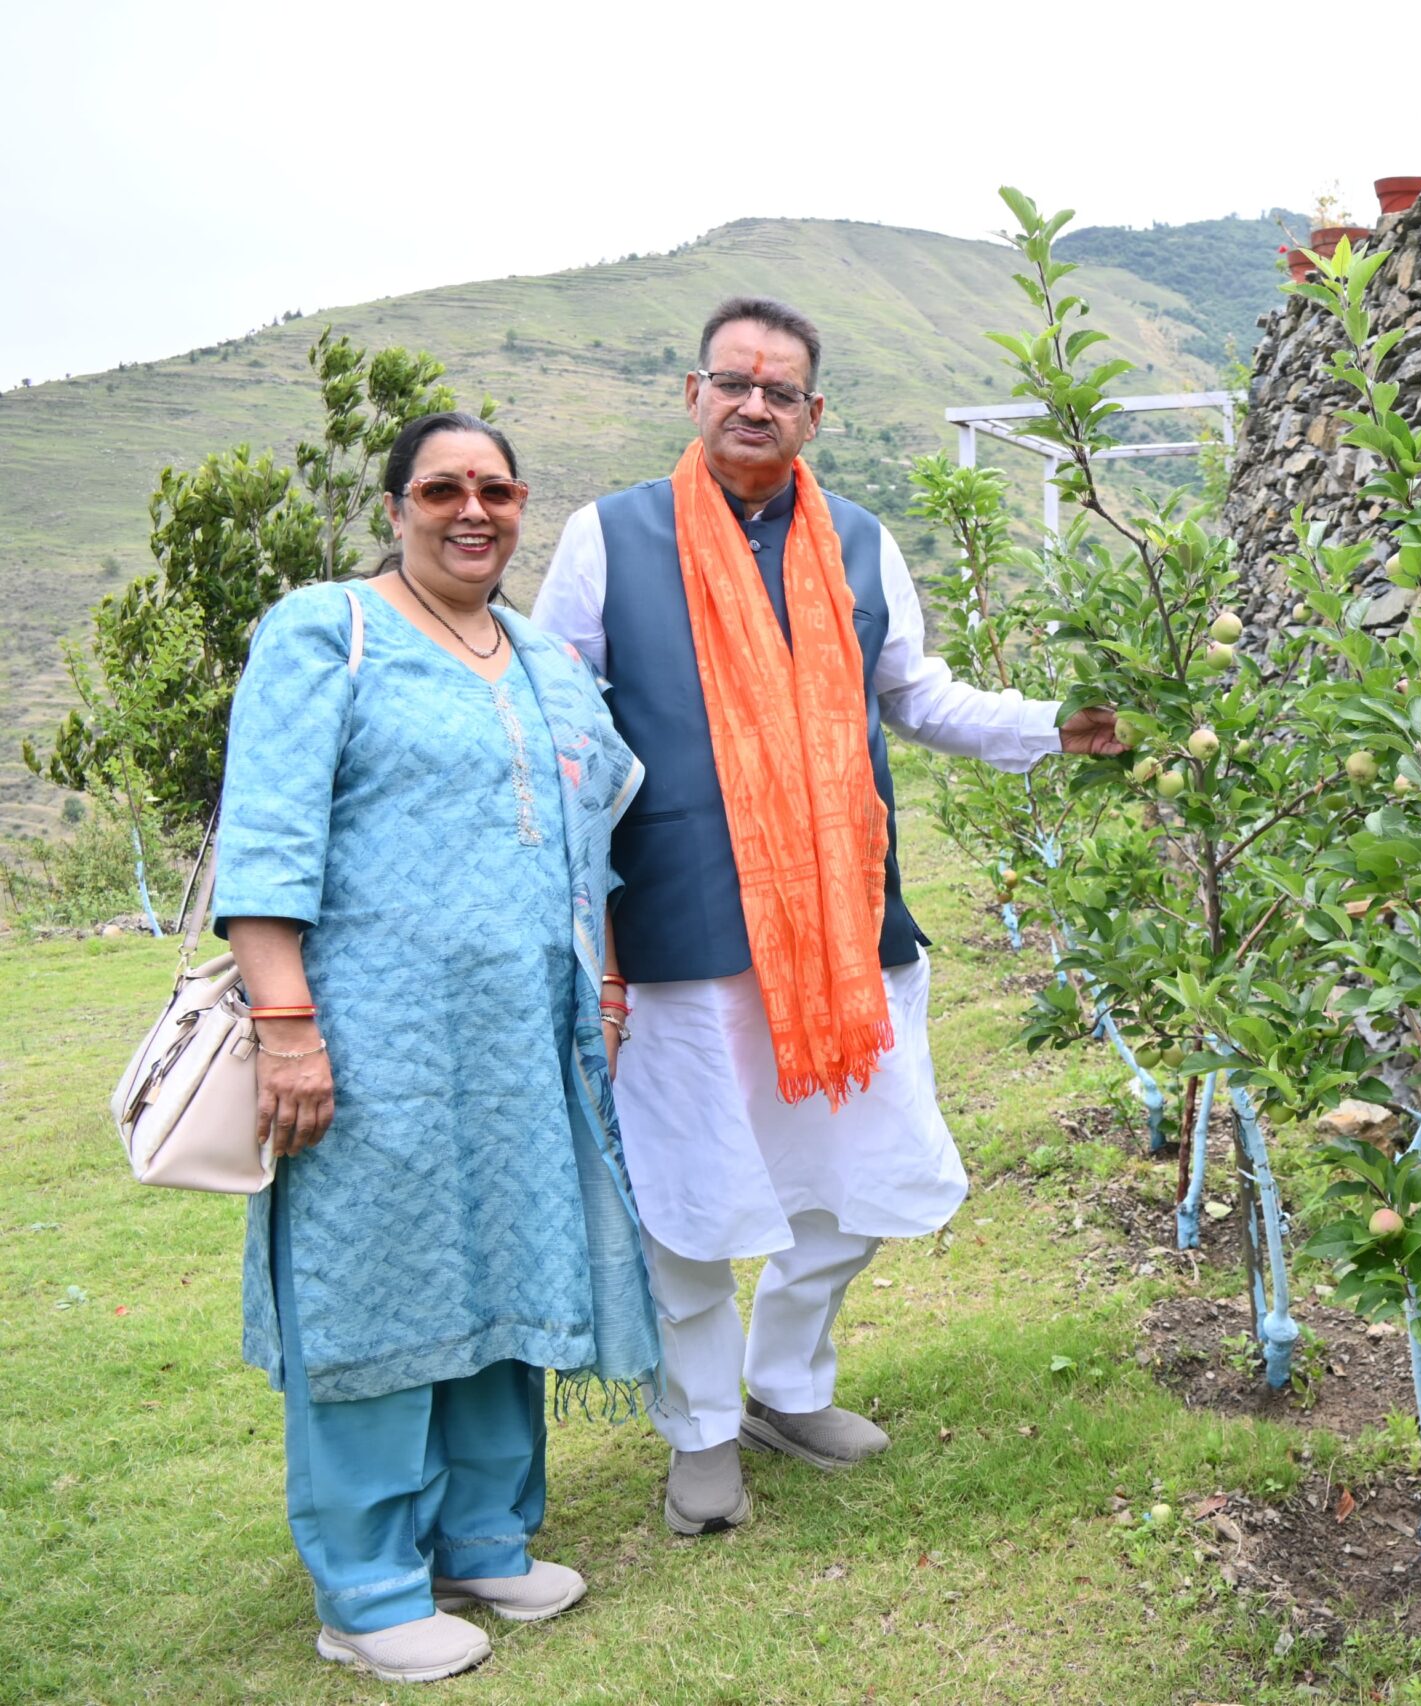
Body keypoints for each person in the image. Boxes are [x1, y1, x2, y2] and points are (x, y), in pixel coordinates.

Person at [532, 296, 1120, 1536]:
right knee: (690, 1195)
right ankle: (699, 1428)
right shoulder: (609, 537)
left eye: (781, 389)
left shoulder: (857, 540)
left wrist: (1053, 725)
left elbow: (913, 692)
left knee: (853, 1179)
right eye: (734, 380)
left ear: (815, 415)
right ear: (692, 392)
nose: (756, 403)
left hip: (846, 930)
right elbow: (554, 720)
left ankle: (784, 1384)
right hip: (682, 928)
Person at [217, 412, 659, 1684]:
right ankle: (366, 1585)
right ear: (397, 501)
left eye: (498, 489)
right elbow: (268, 831)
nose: (474, 510)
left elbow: (593, 840)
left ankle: (482, 1533)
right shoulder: (325, 629)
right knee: (377, 1287)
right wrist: (286, 1023)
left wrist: (610, 988)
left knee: (507, 1271)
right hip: (371, 1037)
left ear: (522, 505)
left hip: (526, 1041)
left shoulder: (538, 654)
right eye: (443, 488)